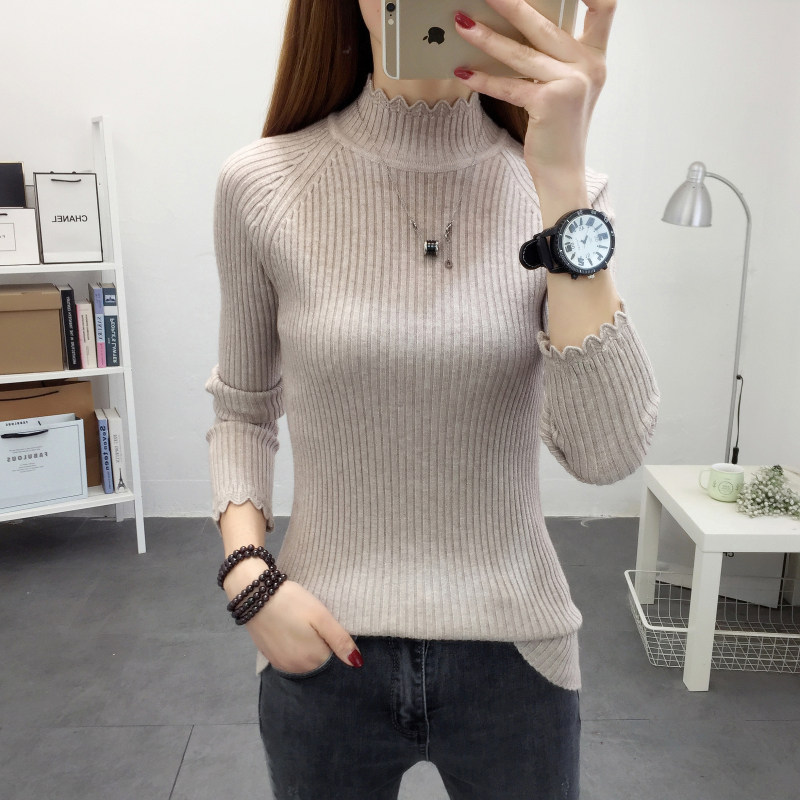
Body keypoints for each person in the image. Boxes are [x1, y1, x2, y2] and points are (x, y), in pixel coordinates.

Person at [204, 1, 658, 797]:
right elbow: (243, 409)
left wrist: (561, 179)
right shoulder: (262, 184)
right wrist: (248, 575)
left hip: (517, 653)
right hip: (323, 642)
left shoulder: (564, 193)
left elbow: (607, 453)